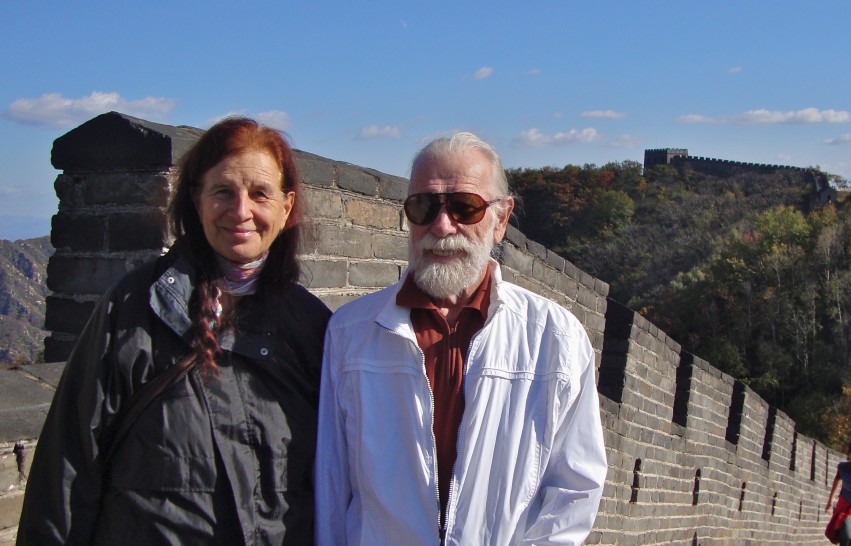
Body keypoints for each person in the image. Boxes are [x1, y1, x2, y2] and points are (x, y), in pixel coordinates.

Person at [17, 117, 331, 545]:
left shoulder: (312, 328)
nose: (241, 211)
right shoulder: (132, 311)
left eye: (260, 194)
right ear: (196, 199)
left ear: (286, 206)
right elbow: (68, 472)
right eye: (223, 191)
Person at [315, 132, 607, 545]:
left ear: (500, 219)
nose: (441, 225)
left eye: (464, 207)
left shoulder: (555, 339)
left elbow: (574, 491)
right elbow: (332, 483)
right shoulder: (350, 333)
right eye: (423, 206)